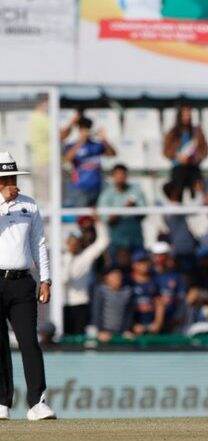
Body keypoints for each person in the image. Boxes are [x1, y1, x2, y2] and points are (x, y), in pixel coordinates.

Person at [0, 151, 55, 420]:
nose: (9, 182)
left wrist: (46, 278)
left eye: (11, 176)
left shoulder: (29, 205)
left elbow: (39, 244)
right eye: (3, 178)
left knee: (29, 342)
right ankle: (2, 403)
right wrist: (1, 203)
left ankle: (37, 402)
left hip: (22, 282)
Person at [62, 219, 110, 335]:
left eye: (76, 241)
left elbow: (103, 241)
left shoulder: (85, 257)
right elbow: (64, 279)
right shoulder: (60, 259)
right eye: (71, 241)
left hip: (81, 304)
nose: (73, 244)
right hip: (63, 305)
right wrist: (69, 256)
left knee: (79, 338)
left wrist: (98, 222)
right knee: (65, 338)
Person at [63, 116, 117, 207]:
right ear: (79, 130)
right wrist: (81, 142)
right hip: (80, 188)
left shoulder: (96, 145)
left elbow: (112, 154)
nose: (86, 131)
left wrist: (104, 139)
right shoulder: (72, 145)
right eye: (83, 128)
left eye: (88, 128)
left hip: (97, 187)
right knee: (82, 218)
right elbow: (67, 159)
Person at [97, 164, 146, 255]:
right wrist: (124, 209)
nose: (120, 177)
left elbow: (143, 214)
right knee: (117, 268)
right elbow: (106, 220)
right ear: (113, 176)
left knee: (140, 266)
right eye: (118, 174)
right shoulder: (106, 194)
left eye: (123, 174)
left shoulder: (136, 190)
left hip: (136, 238)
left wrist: (133, 208)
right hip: (117, 241)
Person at [163, 104, 208, 199]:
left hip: (193, 165)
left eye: (189, 115)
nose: (187, 117)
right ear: (180, 116)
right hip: (178, 166)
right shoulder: (172, 133)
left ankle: (199, 200)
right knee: (178, 178)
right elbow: (166, 151)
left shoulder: (197, 132)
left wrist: (195, 158)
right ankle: (176, 201)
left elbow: (204, 150)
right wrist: (178, 157)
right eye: (185, 115)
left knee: (197, 178)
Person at [90, 266, 134, 343]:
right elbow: (96, 312)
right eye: (114, 276)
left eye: (119, 276)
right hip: (103, 333)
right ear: (106, 278)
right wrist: (101, 330)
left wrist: (126, 330)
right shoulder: (100, 291)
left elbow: (128, 313)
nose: (117, 278)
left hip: (121, 332)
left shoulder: (127, 291)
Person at [150, 242, 186, 332]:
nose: (159, 259)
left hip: (172, 320)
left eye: (162, 255)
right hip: (150, 321)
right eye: (156, 255)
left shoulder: (176, 277)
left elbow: (181, 299)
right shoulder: (148, 275)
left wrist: (177, 317)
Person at [161, 182, 197, 271]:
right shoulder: (176, 208)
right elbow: (197, 209)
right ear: (173, 192)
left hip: (182, 247)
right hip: (181, 248)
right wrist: (198, 192)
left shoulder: (167, 208)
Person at [129, 251, 164, 336]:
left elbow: (159, 304)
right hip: (133, 328)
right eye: (141, 262)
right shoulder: (128, 282)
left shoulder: (154, 281)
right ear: (134, 264)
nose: (144, 265)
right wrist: (132, 325)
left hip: (151, 326)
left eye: (146, 262)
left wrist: (157, 324)